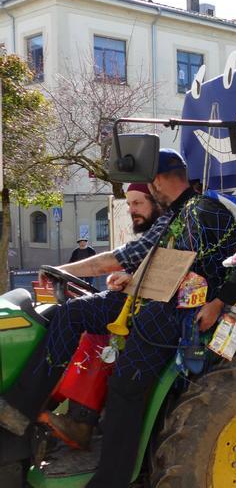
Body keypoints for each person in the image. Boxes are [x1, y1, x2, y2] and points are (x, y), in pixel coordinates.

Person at [0, 149, 236, 487]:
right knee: (70, 314)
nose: (150, 192)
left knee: (124, 384)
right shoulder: (171, 217)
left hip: (176, 313)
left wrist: (217, 303)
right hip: (141, 301)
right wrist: (101, 275)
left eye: (151, 186)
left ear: (160, 179)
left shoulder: (206, 210)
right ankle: (21, 408)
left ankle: (111, 478)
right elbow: (133, 259)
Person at [38, 183, 162, 450]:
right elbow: (144, 269)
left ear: (156, 202)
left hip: (153, 314)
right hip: (137, 305)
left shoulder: (165, 228)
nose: (132, 210)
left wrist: (60, 269)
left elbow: (106, 262)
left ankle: (38, 397)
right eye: (129, 204)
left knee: (73, 314)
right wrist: (126, 278)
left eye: (138, 203)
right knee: (91, 333)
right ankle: (75, 417)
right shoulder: (153, 231)